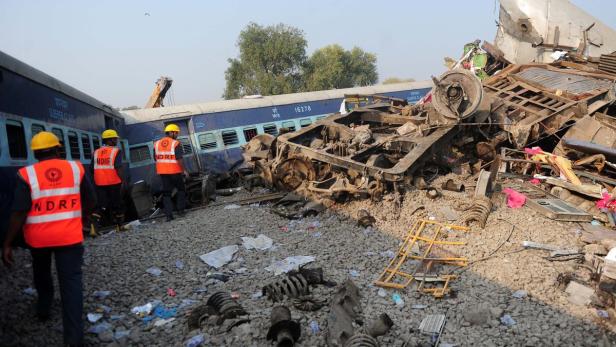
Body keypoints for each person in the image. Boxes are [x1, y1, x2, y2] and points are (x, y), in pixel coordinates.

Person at [2, 131, 96, 347]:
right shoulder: (75, 168)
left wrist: (7, 242)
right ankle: (74, 339)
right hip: (69, 237)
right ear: (58, 149)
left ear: (35, 153)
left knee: (41, 272)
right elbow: (91, 200)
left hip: (38, 239)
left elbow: (18, 211)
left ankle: (44, 308)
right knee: (71, 284)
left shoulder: (26, 174)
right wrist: (80, 217)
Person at [90, 129, 125, 236]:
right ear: (109, 140)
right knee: (117, 204)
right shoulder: (116, 151)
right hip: (114, 182)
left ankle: (94, 227)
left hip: (100, 183)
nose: (116, 140)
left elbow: (91, 168)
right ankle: (120, 226)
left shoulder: (96, 152)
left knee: (102, 205)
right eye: (114, 139)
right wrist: (123, 180)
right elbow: (118, 168)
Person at [153, 124, 188, 221]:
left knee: (166, 194)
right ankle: (181, 211)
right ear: (171, 132)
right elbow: (179, 159)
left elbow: (155, 158)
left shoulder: (156, 144)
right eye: (176, 133)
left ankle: (169, 216)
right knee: (181, 190)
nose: (177, 135)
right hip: (175, 171)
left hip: (163, 173)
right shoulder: (175, 143)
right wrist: (184, 170)